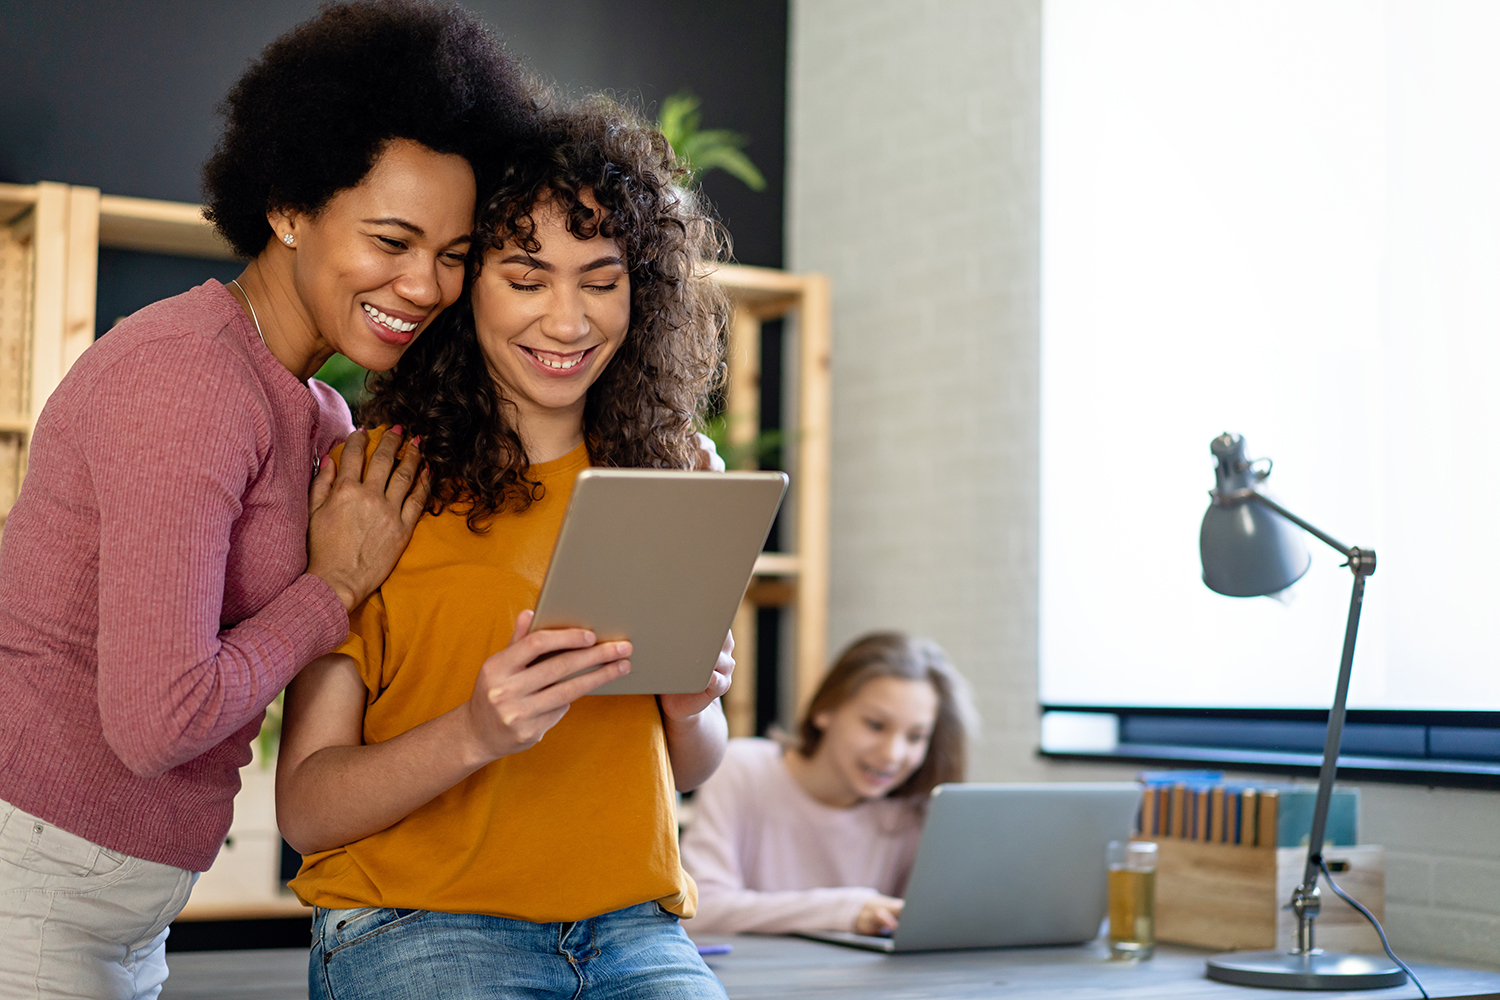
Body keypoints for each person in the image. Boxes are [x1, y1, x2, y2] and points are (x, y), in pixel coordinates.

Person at [0, 4, 535, 997]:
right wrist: (331, 587)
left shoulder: (316, 411)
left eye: (454, 254)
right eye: (392, 238)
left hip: (117, 903)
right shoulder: (188, 379)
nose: (424, 284)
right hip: (27, 883)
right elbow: (158, 720)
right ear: (289, 206)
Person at [275, 97, 735, 1000]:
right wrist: (477, 733)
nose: (567, 323)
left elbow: (693, 762)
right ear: (463, 285)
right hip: (417, 921)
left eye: (600, 282)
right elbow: (307, 805)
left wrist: (692, 705)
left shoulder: (671, 473)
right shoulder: (374, 487)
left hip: (635, 929)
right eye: (527, 279)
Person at [679, 632, 977, 936]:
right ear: (826, 709)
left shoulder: (913, 809)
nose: (892, 755)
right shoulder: (742, 768)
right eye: (875, 725)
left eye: (915, 737)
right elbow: (700, 910)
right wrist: (847, 910)